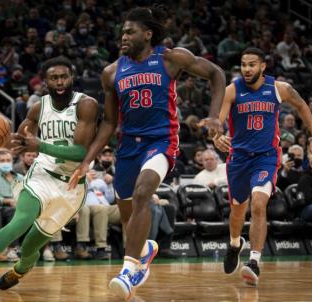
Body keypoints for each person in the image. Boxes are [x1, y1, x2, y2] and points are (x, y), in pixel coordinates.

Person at [68, 7, 225, 300]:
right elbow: (110, 122)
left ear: (147, 34)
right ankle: (144, 251)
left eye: (130, 31)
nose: (123, 36)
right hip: (128, 145)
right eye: (122, 32)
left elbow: (215, 74)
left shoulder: (170, 58)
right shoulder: (111, 72)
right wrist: (87, 158)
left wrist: (215, 116)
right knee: (127, 211)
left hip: (162, 140)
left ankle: (128, 270)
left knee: (143, 194)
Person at [0, 56, 98, 301]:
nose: (59, 81)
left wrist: (41, 145)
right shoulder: (38, 107)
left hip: (71, 188)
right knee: (19, 222)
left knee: (30, 247)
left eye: (64, 76)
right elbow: (17, 141)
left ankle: (23, 267)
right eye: (53, 78)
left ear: (72, 78)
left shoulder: (86, 105)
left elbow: (82, 151)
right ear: (44, 82)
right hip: (41, 175)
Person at [213, 47, 312, 287]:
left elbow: (302, 106)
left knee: (258, 203)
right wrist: (216, 137)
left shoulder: (279, 88)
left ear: (262, 66)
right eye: (244, 64)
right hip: (239, 158)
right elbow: (218, 121)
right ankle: (235, 244)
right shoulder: (232, 90)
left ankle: (254, 260)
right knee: (237, 211)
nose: (247, 69)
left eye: (252, 64)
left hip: (266, 157)